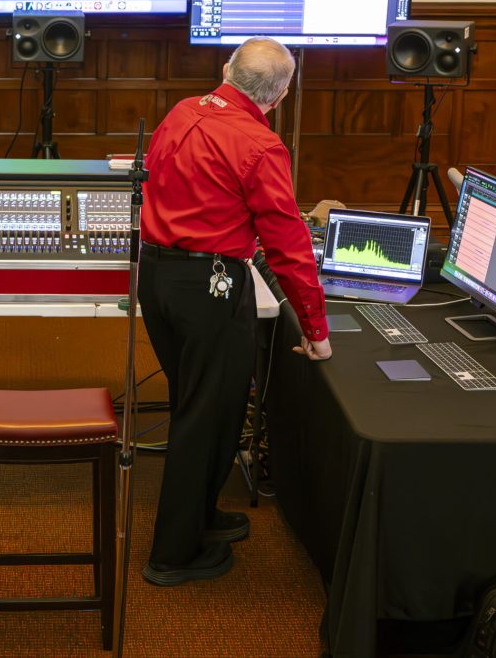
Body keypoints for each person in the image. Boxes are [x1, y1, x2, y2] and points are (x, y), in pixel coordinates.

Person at [138, 36, 332, 586]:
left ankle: (201, 517)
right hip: (210, 288)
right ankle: (173, 554)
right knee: (206, 417)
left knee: (202, 406)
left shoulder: (182, 112)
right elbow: (288, 243)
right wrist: (316, 328)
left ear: (227, 69)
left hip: (158, 277)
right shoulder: (260, 145)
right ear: (281, 96)